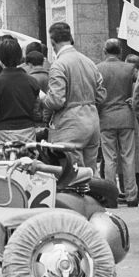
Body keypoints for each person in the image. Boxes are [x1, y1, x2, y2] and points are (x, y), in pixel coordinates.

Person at [39, 22, 106, 168]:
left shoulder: (59, 65)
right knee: (90, 172)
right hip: (92, 121)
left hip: (69, 125)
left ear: (52, 42)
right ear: (70, 39)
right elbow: (101, 96)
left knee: (72, 175)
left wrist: (43, 98)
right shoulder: (89, 62)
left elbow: (56, 100)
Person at [95, 39, 139, 205]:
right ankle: (132, 196)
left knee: (109, 159)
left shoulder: (97, 68)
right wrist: (134, 100)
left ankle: (110, 196)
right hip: (126, 116)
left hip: (106, 117)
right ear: (120, 52)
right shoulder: (129, 68)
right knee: (128, 158)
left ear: (104, 51)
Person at [0, 36, 43, 146]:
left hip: (2, 135)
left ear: (0, 59)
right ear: (20, 57)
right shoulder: (32, 81)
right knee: (27, 162)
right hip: (28, 134)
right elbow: (37, 113)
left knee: (4, 163)